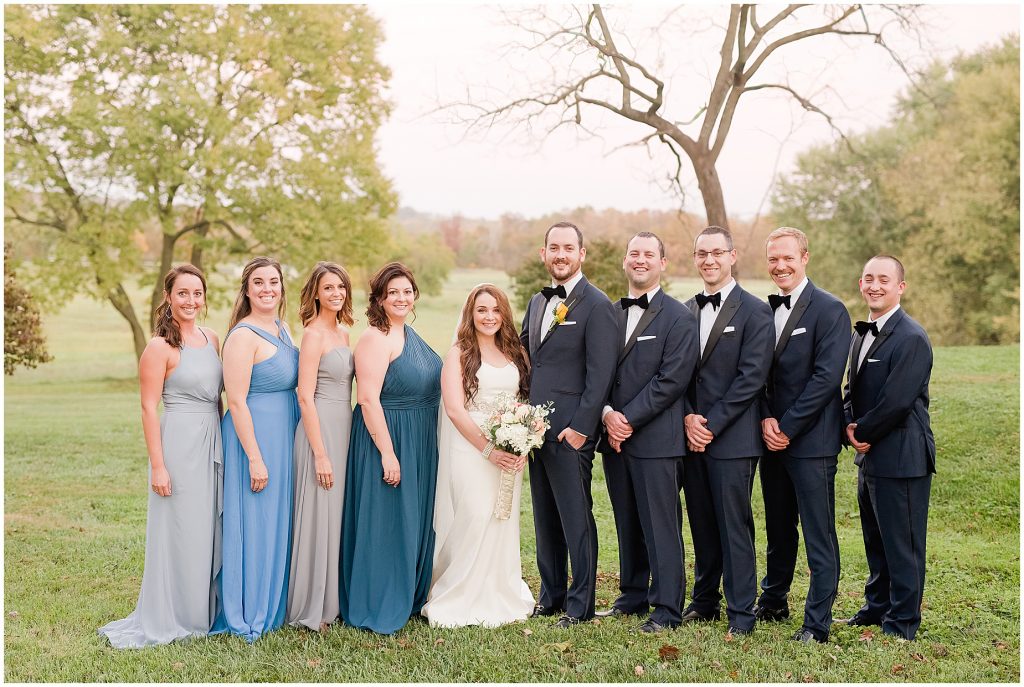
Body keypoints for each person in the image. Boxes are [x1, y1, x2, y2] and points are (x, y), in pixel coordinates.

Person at [99, 265, 222, 648]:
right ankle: (173, 614)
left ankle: (203, 610)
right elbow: (148, 408)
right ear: (168, 297)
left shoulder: (212, 337)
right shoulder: (159, 347)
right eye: (182, 293)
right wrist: (158, 465)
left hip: (211, 441)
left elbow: (218, 398)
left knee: (206, 530)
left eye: (197, 293)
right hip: (179, 445)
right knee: (179, 531)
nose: (191, 300)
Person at [596, 232, 699, 633]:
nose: (640, 260)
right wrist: (606, 414)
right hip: (613, 436)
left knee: (660, 524)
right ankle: (632, 594)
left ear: (663, 263)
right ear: (625, 262)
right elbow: (597, 371)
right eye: (634, 254)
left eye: (649, 255)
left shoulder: (679, 317)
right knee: (627, 519)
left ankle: (668, 608)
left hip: (657, 438)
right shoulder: (609, 313)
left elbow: (671, 380)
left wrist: (627, 419)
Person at [520, 221, 618, 627]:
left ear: (582, 254)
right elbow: (529, 359)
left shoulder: (597, 305)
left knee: (576, 518)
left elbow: (602, 373)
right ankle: (552, 595)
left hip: (570, 433)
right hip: (533, 430)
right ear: (544, 254)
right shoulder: (537, 302)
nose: (560, 255)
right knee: (545, 516)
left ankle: (581, 605)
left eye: (568, 248)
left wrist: (582, 427)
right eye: (553, 248)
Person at [421, 284, 536, 627]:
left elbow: (524, 401)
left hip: (510, 448)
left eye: (495, 309)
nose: (489, 317)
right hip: (471, 448)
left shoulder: (516, 352)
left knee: (501, 519)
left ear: (504, 313)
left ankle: (498, 589)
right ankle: (459, 592)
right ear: (471, 314)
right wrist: (488, 449)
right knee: (473, 515)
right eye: (482, 310)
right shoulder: (460, 352)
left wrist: (523, 442)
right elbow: (455, 410)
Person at [757, 227, 850, 643]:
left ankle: (817, 622)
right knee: (778, 528)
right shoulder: (763, 311)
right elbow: (755, 375)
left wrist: (788, 427)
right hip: (769, 438)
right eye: (773, 259)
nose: (780, 266)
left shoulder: (831, 310)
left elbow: (827, 379)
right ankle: (774, 600)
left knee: (818, 532)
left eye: (787, 258)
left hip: (811, 442)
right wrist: (765, 420)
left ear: (805, 257)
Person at [339, 262, 442, 635]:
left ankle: (411, 593)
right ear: (380, 299)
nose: (401, 298)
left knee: (414, 520)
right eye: (393, 292)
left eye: (407, 291)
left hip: (420, 439)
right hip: (389, 438)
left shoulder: (408, 332)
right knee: (387, 522)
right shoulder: (374, 339)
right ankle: (377, 599)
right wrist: (387, 452)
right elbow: (367, 399)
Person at [681, 225, 774, 636]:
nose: (709, 260)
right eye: (702, 253)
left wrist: (712, 425)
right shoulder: (685, 310)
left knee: (733, 524)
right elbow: (676, 375)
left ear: (732, 256)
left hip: (733, 438)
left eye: (717, 252)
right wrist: (688, 418)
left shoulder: (755, 311)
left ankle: (741, 611)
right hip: (690, 435)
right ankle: (704, 601)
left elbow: (751, 379)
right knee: (701, 521)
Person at [840, 255, 935, 641]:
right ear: (861, 285)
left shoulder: (912, 337)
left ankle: (903, 622)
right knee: (875, 539)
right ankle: (876, 607)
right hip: (870, 456)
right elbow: (851, 388)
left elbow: (897, 401)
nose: (874, 285)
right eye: (868, 279)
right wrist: (849, 423)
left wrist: (861, 429)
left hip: (902, 456)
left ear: (900, 287)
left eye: (883, 279)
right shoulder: (860, 334)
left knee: (903, 544)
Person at [214, 256, 300, 642]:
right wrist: (254, 458)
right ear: (247, 290)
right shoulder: (242, 336)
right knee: (254, 524)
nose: (268, 289)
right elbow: (236, 401)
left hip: (283, 435)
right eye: (259, 283)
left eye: (274, 282)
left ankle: (274, 602)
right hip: (254, 440)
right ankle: (246, 609)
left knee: (276, 522)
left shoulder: (283, 328)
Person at [286, 262, 355, 631]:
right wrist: (320, 453)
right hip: (320, 431)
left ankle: (332, 600)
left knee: (336, 517)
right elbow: (304, 395)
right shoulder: (313, 335)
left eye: (341, 287)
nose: (336, 294)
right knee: (318, 516)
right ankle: (310, 607)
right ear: (315, 292)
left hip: (344, 427)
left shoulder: (344, 333)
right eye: (328, 288)